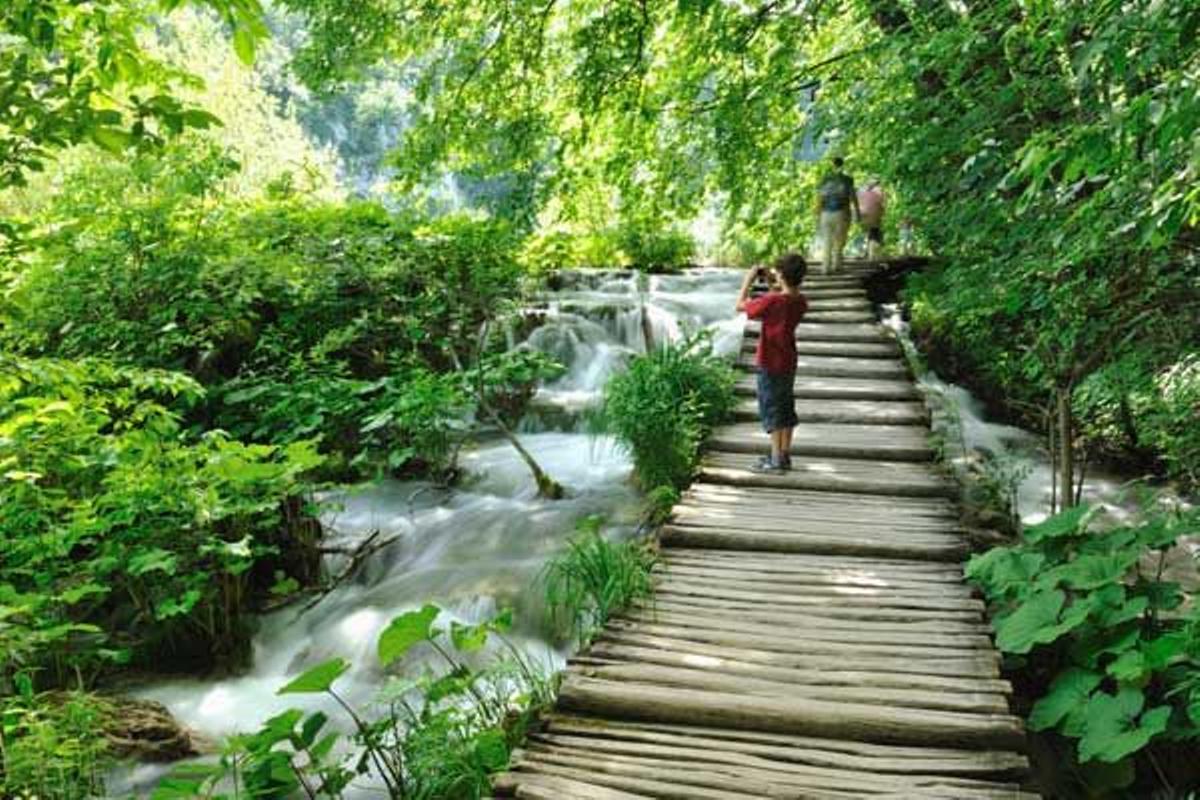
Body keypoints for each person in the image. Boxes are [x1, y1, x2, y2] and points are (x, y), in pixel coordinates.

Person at [735, 253, 809, 473]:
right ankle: (784, 455)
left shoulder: (773, 301)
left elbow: (740, 306)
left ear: (783, 275)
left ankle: (776, 460)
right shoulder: (800, 301)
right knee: (785, 406)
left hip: (769, 362)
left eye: (778, 272)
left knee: (772, 409)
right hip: (788, 361)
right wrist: (772, 280)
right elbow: (780, 299)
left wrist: (748, 280)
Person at [815, 156, 859, 274]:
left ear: (832, 165)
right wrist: (857, 212)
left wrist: (817, 214)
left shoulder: (825, 180)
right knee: (839, 240)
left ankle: (825, 267)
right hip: (841, 212)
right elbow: (853, 197)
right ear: (842, 165)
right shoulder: (847, 180)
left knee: (827, 240)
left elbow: (819, 198)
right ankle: (837, 265)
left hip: (825, 213)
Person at [857, 179, 886, 263]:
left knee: (866, 232)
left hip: (862, 214)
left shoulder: (861, 191)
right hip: (873, 215)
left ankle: (863, 252)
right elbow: (882, 205)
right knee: (874, 232)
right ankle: (872, 255)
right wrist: (882, 213)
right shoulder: (879, 192)